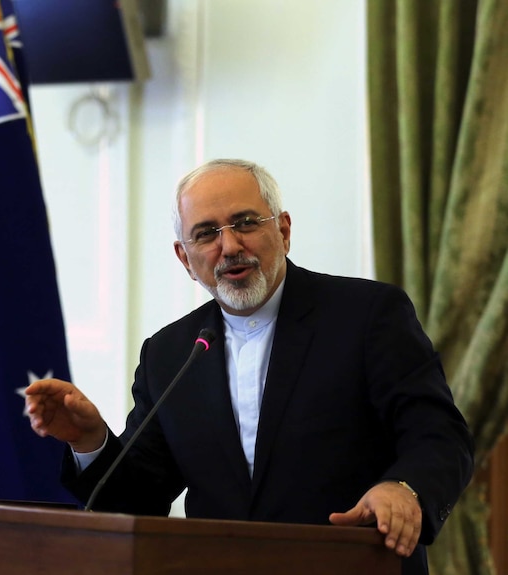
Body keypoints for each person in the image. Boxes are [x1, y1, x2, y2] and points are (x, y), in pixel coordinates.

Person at [25, 159, 474, 575]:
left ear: (283, 230)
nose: (229, 246)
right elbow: (140, 497)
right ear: (185, 258)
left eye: (245, 223)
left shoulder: (367, 315)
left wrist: (404, 489)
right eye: (205, 233)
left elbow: (440, 435)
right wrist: (90, 440)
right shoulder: (170, 353)